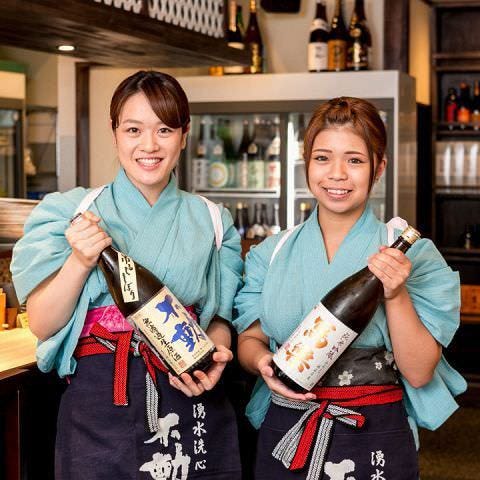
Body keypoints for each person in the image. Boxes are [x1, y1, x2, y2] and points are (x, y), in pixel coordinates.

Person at [11, 70, 243, 479]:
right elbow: (43, 324)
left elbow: (219, 319)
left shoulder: (213, 220)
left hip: (186, 387)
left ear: (184, 135)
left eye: (164, 129)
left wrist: (217, 354)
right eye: (133, 129)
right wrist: (80, 260)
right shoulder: (68, 212)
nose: (149, 145)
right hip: (101, 398)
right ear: (114, 132)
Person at [234, 97, 466, 480]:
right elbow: (250, 339)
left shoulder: (409, 254)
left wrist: (396, 294)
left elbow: (420, 372)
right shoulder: (270, 254)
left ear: (379, 168)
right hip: (288, 423)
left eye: (355, 160)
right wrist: (261, 362)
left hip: (373, 427)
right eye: (322, 158)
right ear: (307, 163)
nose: (337, 174)